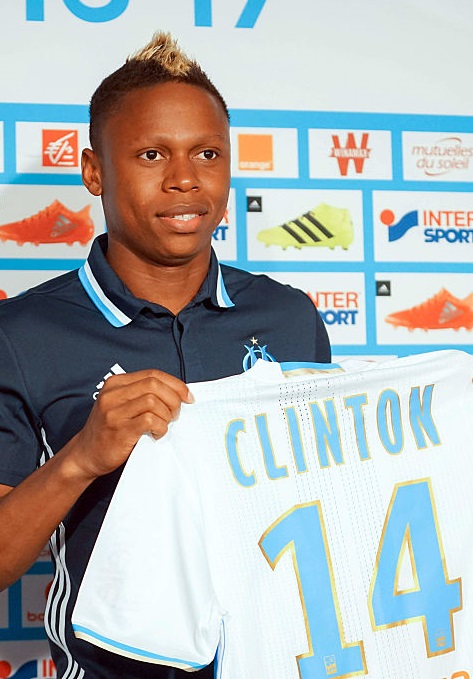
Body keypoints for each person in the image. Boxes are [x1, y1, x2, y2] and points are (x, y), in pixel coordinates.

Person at [0, 32, 331, 678]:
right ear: (94, 171)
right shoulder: (20, 333)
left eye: (207, 153)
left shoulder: (290, 317)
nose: (184, 179)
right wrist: (81, 458)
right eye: (152, 154)